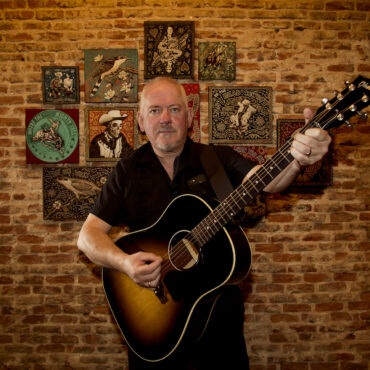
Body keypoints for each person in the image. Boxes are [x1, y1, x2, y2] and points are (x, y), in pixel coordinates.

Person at [77, 77, 331, 369]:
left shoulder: (214, 159)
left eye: (174, 109)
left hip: (216, 324)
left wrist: (297, 159)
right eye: (155, 110)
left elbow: (268, 181)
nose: (166, 119)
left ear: (189, 117)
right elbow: (87, 237)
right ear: (141, 121)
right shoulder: (128, 169)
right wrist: (124, 264)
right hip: (152, 324)